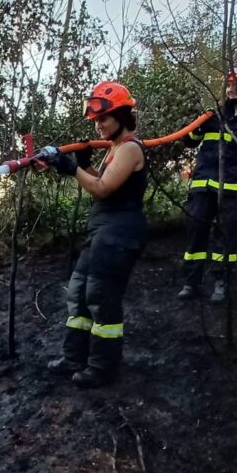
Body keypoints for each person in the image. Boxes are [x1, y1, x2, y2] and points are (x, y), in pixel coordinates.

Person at [38, 81, 148, 388]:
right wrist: (83, 164)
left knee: (101, 298)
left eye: (104, 118)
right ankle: (75, 357)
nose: (99, 125)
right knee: (79, 292)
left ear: (123, 115)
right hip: (102, 232)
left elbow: (103, 189)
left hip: (120, 234)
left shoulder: (128, 148)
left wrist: (71, 167)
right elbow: (102, 184)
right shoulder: (114, 150)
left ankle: (102, 367)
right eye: (96, 120)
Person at [177, 60, 237, 303]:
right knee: (195, 233)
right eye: (229, 83)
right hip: (204, 184)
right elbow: (189, 140)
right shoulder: (213, 114)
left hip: (233, 189)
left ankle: (221, 282)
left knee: (226, 238)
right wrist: (200, 123)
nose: (230, 88)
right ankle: (191, 283)